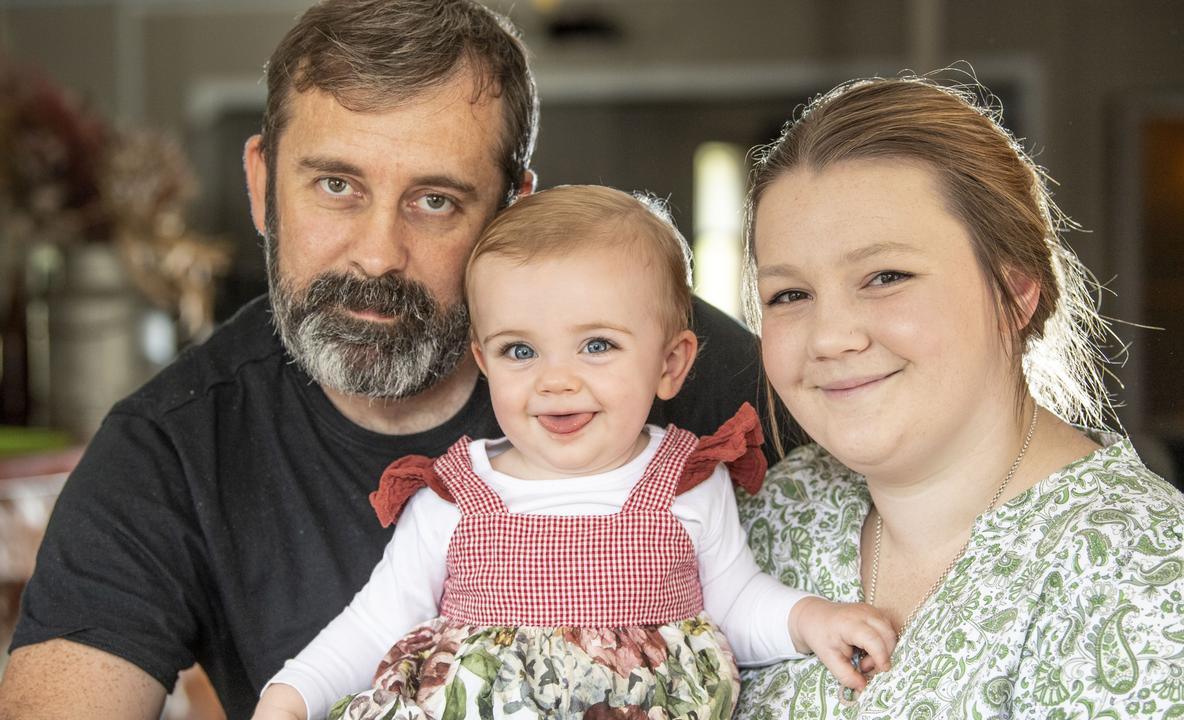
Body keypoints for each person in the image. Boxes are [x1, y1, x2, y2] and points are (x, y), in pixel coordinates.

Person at [0, 3, 774, 719]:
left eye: (434, 200)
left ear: (512, 209)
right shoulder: (167, 450)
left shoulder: (685, 368)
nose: (377, 256)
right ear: (263, 182)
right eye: (336, 186)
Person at [732, 76, 1184, 718]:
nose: (830, 338)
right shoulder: (769, 513)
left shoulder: (1164, 583)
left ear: (1016, 293)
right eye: (789, 295)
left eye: (886, 276)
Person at [249, 185, 894, 720]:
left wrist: (811, 621)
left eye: (597, 346)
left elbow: (733, 604)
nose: (556, 380)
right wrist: (291, 695)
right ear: (483, 362)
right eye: (520, 351)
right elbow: (374, 625)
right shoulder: (453, 498)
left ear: (671, 364)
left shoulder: (685, 482)